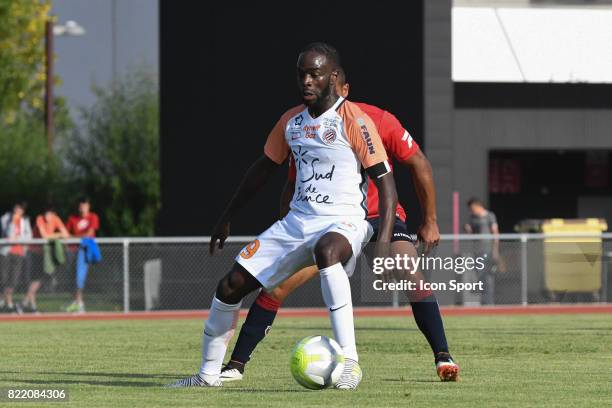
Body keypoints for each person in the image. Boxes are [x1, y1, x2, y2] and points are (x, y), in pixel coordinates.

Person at [167, 43, 397, 389]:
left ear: (333, 77)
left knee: (327, 252)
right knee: (230, 286)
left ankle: (350, 362)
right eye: (302, 73)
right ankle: (207, 375)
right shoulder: (291, 122)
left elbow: (387, 184)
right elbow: (262, 170)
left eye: (314, 74)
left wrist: (382, 240)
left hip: (345, 220)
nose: (306, 80)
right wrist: (227, 216)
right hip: (297, 222)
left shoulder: (355, 121)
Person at [219, 70, 460, 383]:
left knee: (409, 271)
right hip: (328, 223)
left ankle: (443, 356)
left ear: (344, 88)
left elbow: (419, 164)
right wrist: (288, 228)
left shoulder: (377, 120)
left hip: (377, 218)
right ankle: (235, 366)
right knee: (277, 286)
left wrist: (430, 220)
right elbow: (293, 185)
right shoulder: (309, 128)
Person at [20, 205, 70, 313]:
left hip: (45, 254)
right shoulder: (40, 218)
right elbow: (44, 236)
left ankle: (29, 305)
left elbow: (66, 234)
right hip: (35, 252)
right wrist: (58, 234)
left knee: (37, 279)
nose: (47, 216)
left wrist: (58, 234)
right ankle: (25, 303)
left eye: (50, 214)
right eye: (46, 214)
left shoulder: (56, 219)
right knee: (36, 279)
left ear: (54, 215)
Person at [65, 197, 100, 313]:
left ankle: (79, 303)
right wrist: (75, 238)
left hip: (85, 251)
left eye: (84, 206)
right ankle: (76, 301)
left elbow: (89, 233)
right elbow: (66, 234)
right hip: (72, 250)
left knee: (80, 276)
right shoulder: (72, 218)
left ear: (88, 206)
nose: (82, 208)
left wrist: (75, 237)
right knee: (71, 276)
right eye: (80, 206)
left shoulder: (93, 217)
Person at [464, 197, 499, 305]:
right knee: (479, 275)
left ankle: (489, 301)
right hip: (477, 251)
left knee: (487, 276)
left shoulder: (490, 216)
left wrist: (495, 251)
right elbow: (471, 235)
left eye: (472, 208)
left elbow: (495, 233)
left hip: (488, 250)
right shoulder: (472, 218)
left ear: (478, 206)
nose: (472, 210)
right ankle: (484, 300)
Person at [0, 203, 33, 313]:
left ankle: (8, 302)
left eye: (20, 209)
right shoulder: (5, 219)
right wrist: (13, 222)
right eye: (16, 208)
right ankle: (3, 301)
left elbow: (29, 236)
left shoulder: (25, 220)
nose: (18, 211)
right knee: (3, 278)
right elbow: (8, 234)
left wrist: (18, 237)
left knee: (13, 280)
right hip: (6, 253)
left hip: (18, 253)